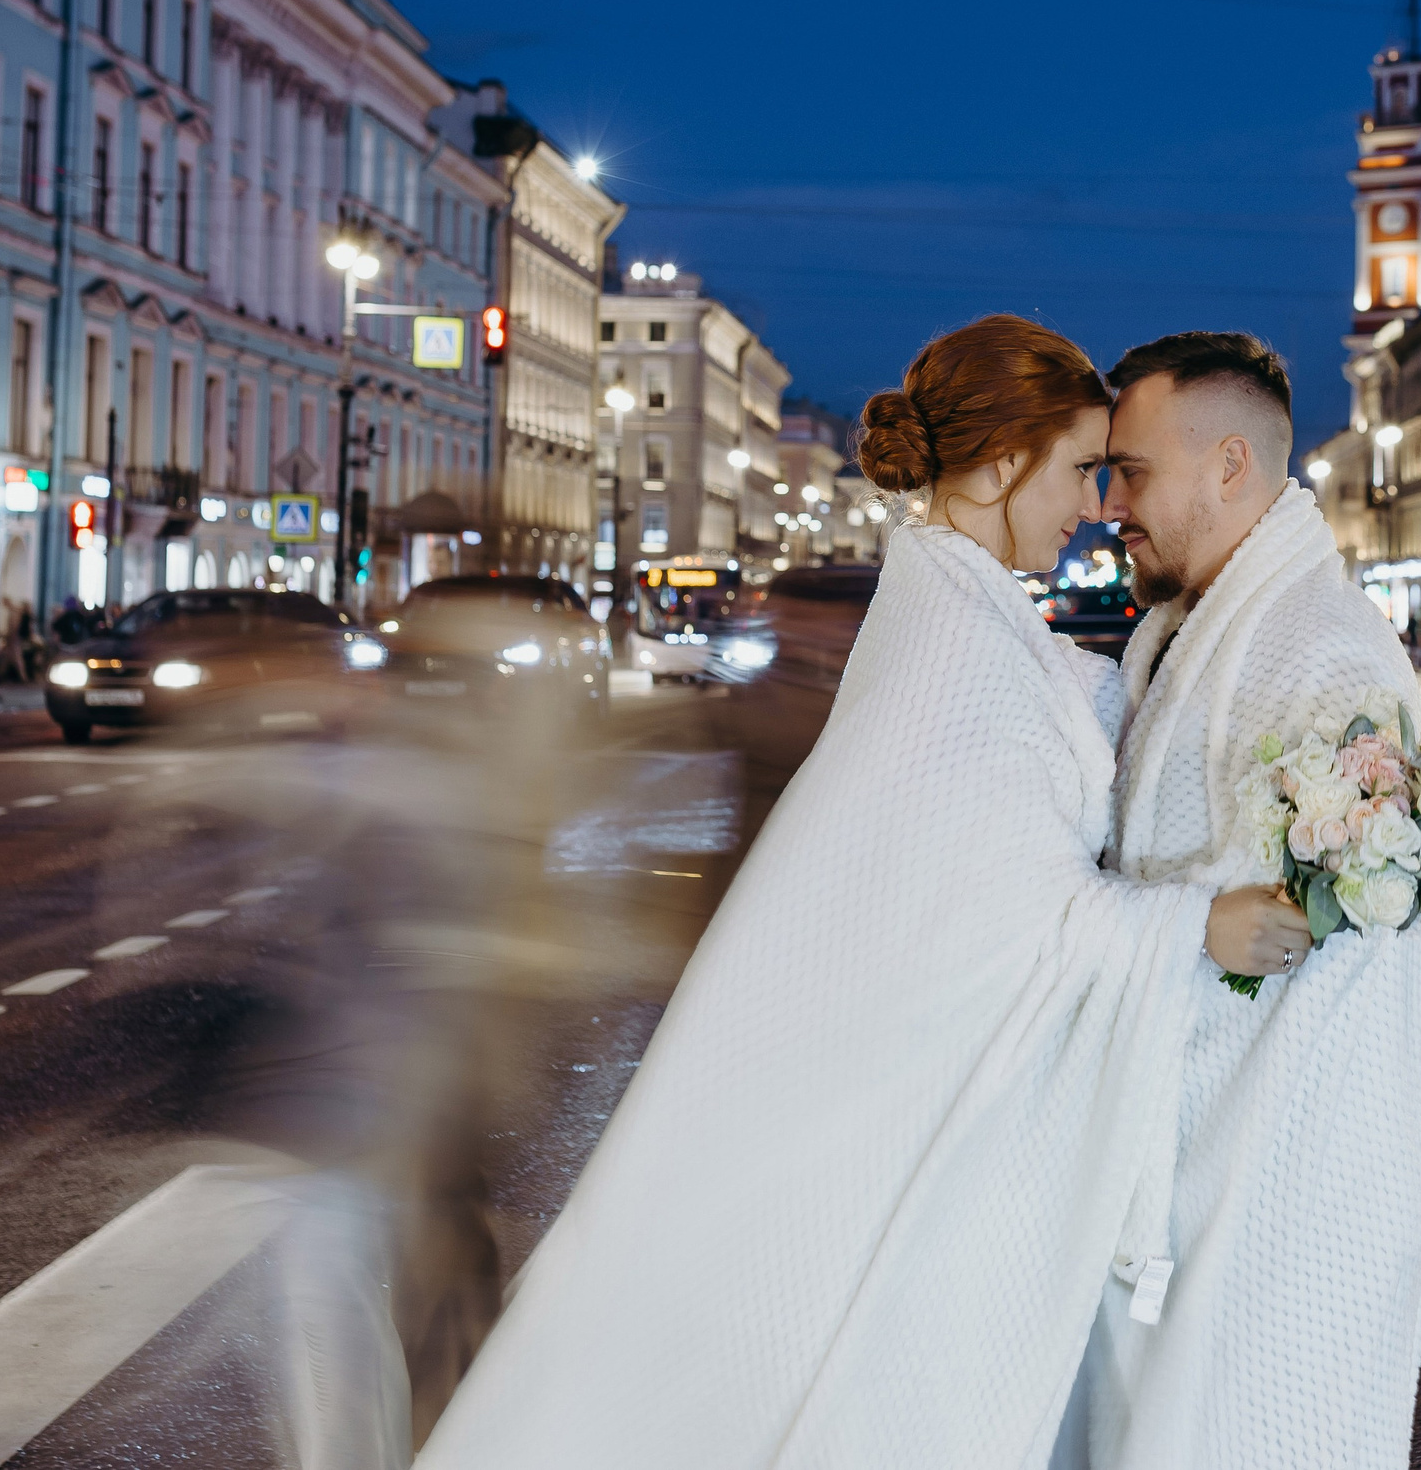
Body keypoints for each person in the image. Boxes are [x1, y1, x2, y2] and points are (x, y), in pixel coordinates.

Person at [418, 316, 1297, 1469]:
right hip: (893, 1123)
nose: (1093, 502)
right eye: (1082, 467)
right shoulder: (954, 642)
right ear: (998, 465)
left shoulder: (959, 604)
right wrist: (1199, 922)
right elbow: (997, 915)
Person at [1067, 331, 1421, 1468]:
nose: (1107, 501)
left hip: (1282, 1191)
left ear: (1228, 465)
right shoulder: (1192, 630)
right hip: (1197, 1180)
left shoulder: (1322, 654)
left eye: (1129, 470)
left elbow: (1309, 948)